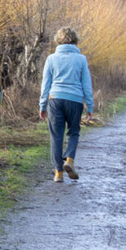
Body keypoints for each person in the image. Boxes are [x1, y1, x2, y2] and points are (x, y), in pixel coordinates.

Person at [38, 26, 94, 182]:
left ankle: (58, 173)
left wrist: (42, 105)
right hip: (75, 100)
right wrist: (90, 106)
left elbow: (45, 84)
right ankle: (69, 159)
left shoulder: (51, 59)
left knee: (56, 136)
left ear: (58, 40)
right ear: (75, 40)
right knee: (74, 132)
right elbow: (86, 85)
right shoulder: (81, 59)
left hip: (55, 99)